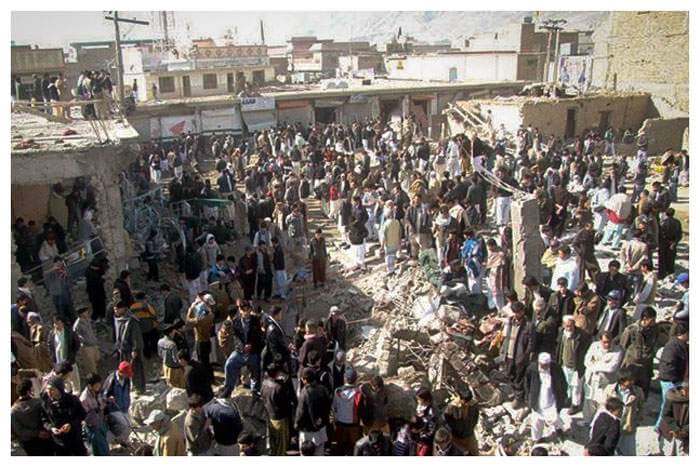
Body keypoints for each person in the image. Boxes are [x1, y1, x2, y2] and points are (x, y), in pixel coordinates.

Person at [221, 302, 264, 397]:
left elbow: (259, 336)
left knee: (256, 368)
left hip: (253, 351)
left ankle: (255, 390)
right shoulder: (235, 322)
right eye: (243, 309)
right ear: (240, 311)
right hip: (240, 351)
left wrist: (251, 345)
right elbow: (236, 337)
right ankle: (228, 389)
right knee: (229, 364)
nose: (245, 312)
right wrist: (242, 347)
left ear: (250, 309)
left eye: (247, 309)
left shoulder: (255, 320)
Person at [524, 352, 567, 442]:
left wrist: (563, 396)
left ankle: (558, 430)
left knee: (554, 418)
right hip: (537, 399)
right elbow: (527, 382)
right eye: (542, 365)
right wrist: (528, 396)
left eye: (546, 365)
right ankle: (536, 439)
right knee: (536, 422)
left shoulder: (556, 368)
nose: (544, 367)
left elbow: (563, 382)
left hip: (551, 398)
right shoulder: (532, 368)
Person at [618, 305, 661, 395]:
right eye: (652, 320)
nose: (654, 322)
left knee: (643, 390)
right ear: (644, 318)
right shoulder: (631, 330)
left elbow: (655, 343)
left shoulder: (655, 329)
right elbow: (622, 347)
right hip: (632, 365)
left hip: (646, 366)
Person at [40, 376, 87, 455]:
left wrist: (71, 424)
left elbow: (82, 414)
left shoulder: (72, 400)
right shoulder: (45, 404)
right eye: (47, 389)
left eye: (52, 389)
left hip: (75, 438)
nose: (49, 392)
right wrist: (51, 428)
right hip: (59, 442)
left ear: (59, 389)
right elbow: (44, 420)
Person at [583, 332, 623, 422]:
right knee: (589, 400)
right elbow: (586, 361)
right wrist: (601, 365)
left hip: (606, 383)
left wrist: (595, 365)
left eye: (609, 341)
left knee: (603, 403)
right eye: (604, 342)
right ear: (600, 340)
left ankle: (598, 423)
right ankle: (587, 420)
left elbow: (611, 368)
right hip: (591, 379)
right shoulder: (594, 346)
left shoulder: (618, 350)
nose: (607, 344)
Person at [655, 323, 689, 431]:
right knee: (667, 406)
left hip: (671, 380)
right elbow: (668, 366)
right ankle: (660, 428)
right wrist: (676, 381)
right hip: (670, 381)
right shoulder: (674, 346)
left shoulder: (678, 344)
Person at [603, 369, 644, 455]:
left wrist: (636, 420)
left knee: (629, 452)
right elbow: (603, 407)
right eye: (629, 380)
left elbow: (641, 407)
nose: (632, 382)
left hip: (628, 427)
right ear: (621, 381)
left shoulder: (638, 391)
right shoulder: (610, 389)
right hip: (612, 427)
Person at [499, 301, 533, 407]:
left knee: (519, 378)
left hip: (519, 356)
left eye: (519, 312)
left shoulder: (528, 325)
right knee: (510, 376)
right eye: (515, 312)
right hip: (509, 354)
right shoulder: (510, 321)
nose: (517, 314)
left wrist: (525, 356)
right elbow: (506, 337)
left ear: (522, 311)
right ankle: (515, 394)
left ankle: (519, 399)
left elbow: (531, 343)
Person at [555, 315, 589, 414]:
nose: (569, 328)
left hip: (576, 367)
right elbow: (559, 347)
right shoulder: (562, 332)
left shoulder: (582, 336)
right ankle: (568, 400)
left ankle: (575, 405)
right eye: (567, 326)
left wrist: (581, 366)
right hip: (564, 364)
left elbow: (584, 352)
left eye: (571, 325)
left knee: (576, 387)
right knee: (566, 384)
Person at [261, 362, 297, 456]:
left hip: (269, 415)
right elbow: (285, 404)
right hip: (280, 418)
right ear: (277, 373)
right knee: (282, 445)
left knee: (273, 442)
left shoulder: (264, 383)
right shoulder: (278, 387)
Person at [11, 379, 54, 455]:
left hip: (28, 445)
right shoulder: (39, 403)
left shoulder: (13, 411)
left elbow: (19, 431)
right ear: (28, 391)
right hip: (45, 439)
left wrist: (36, 433)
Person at [295, 367, 331, 456]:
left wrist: (297, 424)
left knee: (306, 454)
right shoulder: (323, 389)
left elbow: (301, 412)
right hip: (321, 428)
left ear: (305, 379)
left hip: (307, 431)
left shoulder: (305, 393)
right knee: (319, 453)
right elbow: (328, 406)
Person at [113, 301, 146, 393]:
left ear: (123, 308)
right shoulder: (118, 319)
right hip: (122, 349)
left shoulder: (131, 320)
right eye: (114, 309)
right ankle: (126, 386)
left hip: (132, 349)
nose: (115, 311)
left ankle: (139, 388)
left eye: (117, 309)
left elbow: (136, 336)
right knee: (124, 368)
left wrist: (135, 349)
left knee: (135, 368)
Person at [331, 366, 363, 455]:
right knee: (353, 447)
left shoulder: (338, 391)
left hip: (340, 423)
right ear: (355, 379)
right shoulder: (359, 393)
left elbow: (334, 407)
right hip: (354, 424)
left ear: (345, 378)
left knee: (340, 446)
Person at [101, 361, 134, 445]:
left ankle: (122, 442)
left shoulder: (127, 379)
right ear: (121, 372)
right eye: (126, 374)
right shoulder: (111, 380)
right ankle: (119, 442)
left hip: (124, 408)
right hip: (114, 409)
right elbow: (103, 396)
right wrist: (109, 398)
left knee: (129, 427)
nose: (128, 376)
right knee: (126, 426)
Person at [47, 316, 81, 394]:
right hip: (59, 363)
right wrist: (53, 359)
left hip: (69, 361)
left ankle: (77, 396)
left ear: (62, 323)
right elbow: (50, 346)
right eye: (55, 324)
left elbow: (76, 344)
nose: (57, 325)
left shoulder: (69, 332)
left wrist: (72, 355)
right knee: (65, 382)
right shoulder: (52, 334)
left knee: (74, 381)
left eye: (58, 323)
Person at [441, 386, 479, 455]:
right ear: (461, 399)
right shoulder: (452, 407)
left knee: (475, 453)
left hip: (469, 434)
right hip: (457, 436)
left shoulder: (473, 404)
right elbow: (446, 420)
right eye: (465, 402)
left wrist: (472, 426)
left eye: (469, 402)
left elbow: (476, 416)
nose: (467, 404)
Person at [186, 293, 215, 377]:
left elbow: (188, 320)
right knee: (207, 360)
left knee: (201, 361)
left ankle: (205, 377)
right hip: (207, 340)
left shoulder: (200, 319)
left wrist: (191, 307)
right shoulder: (211, 315)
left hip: (200, 341)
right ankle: (210, 377)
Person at [80, 373, 110, 456]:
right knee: (97, 450)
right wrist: (96, 410)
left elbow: (102, 402)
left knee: (104, 447)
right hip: (92, 427)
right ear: (90, 386)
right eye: (97, 384)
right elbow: (84, 416)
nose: (99, 386)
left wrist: (107, 401)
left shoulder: (97, 392)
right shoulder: (84, 398)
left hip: (101, 423)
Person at [659, 381, 689, 456]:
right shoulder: (671, 396)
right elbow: (666, 415)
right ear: (684, 390)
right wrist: (676, 429)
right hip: (670, 431)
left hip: (685, 434)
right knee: (669, 453)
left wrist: (685, 430)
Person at [73, 306, 101, 380]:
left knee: (97, 359)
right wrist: (86, 341)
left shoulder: (88, 320)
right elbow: (78, 337)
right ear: (81, 314)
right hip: (87, 347)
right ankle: (94, 378)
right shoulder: (77, 325)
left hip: (94, 344)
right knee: (91, 365)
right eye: (85, 312)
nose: (87, 313)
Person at [158, 322, 185, 388]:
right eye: (173, 331)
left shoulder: (160, 341)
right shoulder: (172, 344)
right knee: (179, 387)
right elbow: (175, 359)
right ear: (170, 333)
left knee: (170, 385)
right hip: (174, 369)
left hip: (166, 366)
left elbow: (160, 354)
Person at [658, 208, 683, 280]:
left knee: (662, 259)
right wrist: (675, 243)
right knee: (671, 260)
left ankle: (661, 275)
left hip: (663, 243)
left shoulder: (662, 223)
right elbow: (679, 234)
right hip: (672, 243)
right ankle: (670, 275)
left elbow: (660, 235)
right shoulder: (677, 222)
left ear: (666, 214)